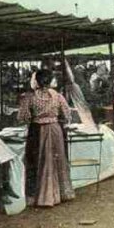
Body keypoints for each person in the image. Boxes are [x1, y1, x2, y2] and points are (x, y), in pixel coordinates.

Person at [18, 69, 75, 207]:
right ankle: (60, 194)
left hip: (37, 131)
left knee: (39, 161)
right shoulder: (58, 96)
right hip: (55, 129)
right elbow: (67, 114)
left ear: (36, 81)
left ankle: (39, 197)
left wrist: (35, 116)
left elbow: (22, 117)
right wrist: (54, 117)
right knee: (56, 160)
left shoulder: (29, 97)